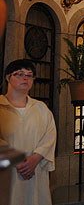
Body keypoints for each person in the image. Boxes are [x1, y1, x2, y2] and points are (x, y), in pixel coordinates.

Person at [0, 59, 56, 205]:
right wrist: (17, 160)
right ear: (8, 77)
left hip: (35, 172)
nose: (25, 78)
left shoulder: (41, 108)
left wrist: (35, 159)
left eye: (29, 75)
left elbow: (50, 136)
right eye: (20, 74)